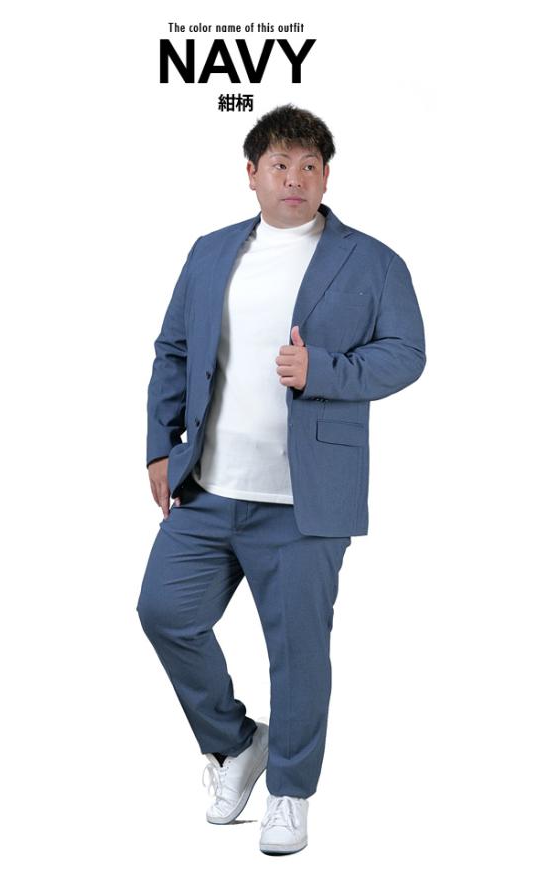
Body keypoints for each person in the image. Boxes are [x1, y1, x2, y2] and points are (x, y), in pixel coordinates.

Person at [136, 103, 426, 855]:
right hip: (207, 488)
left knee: (297, 655)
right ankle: (237, 745)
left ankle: (290, 793)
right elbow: (173, 350)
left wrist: (321, 369)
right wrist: (160, 447)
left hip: (305, 500)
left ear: (326, 176)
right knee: (164, 611)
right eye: (279, 164)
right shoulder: (210, 252)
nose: (293, 178)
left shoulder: (372, 261)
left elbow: (407, 353)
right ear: (252, 174)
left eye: (308, 166)